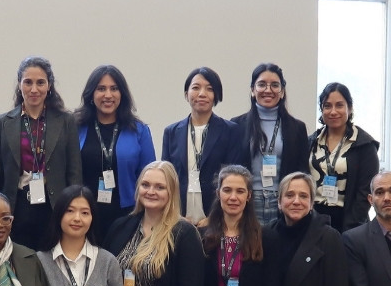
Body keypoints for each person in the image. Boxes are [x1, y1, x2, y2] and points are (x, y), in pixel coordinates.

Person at [0, 56, 82, 251]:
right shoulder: (3, 122)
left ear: (49, 86)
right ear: (19, 85)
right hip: (16, 205)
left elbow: (74, 171)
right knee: (20, 260)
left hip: (54, 205)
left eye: (40, 82)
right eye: (28, 82)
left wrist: (74, 208)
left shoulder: (65, 121)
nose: (34, 89)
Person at [75, 65, 156, 243]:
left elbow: (149, 176)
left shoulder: (139, 131)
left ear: (122, 94)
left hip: (128, 216)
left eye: (114, 88)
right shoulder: (76, 128)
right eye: (101, 89)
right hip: (83, 216)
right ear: (91, 94)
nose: (108, 95)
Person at [161, 67, 244, 225]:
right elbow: (167, 178)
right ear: (186, 94)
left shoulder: (230, 131)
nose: (202, 94)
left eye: (209, 89)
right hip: (179, 218)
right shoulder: (171, 132)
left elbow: (233, 178)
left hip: (216, 219)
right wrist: (175, 215)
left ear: (216, 95)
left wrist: (214, 217)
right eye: (196, 88)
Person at [231, 63, 308, 224]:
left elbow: (303, 171)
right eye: (261, 84)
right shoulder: (237, 125)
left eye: (274, 85)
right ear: (253, 90)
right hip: (247, 201)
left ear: (282, 91)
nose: (268, 90)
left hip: (284, 202)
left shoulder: (297, 128)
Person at [308, 82, 379, 233]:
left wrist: (351, 228)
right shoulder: (312, 142)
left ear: (350, 108)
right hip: (313, 221)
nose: (333, 111)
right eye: (327, 106)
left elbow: (365, 192)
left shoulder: (365, 145)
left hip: (349, 222)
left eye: (339, 105)